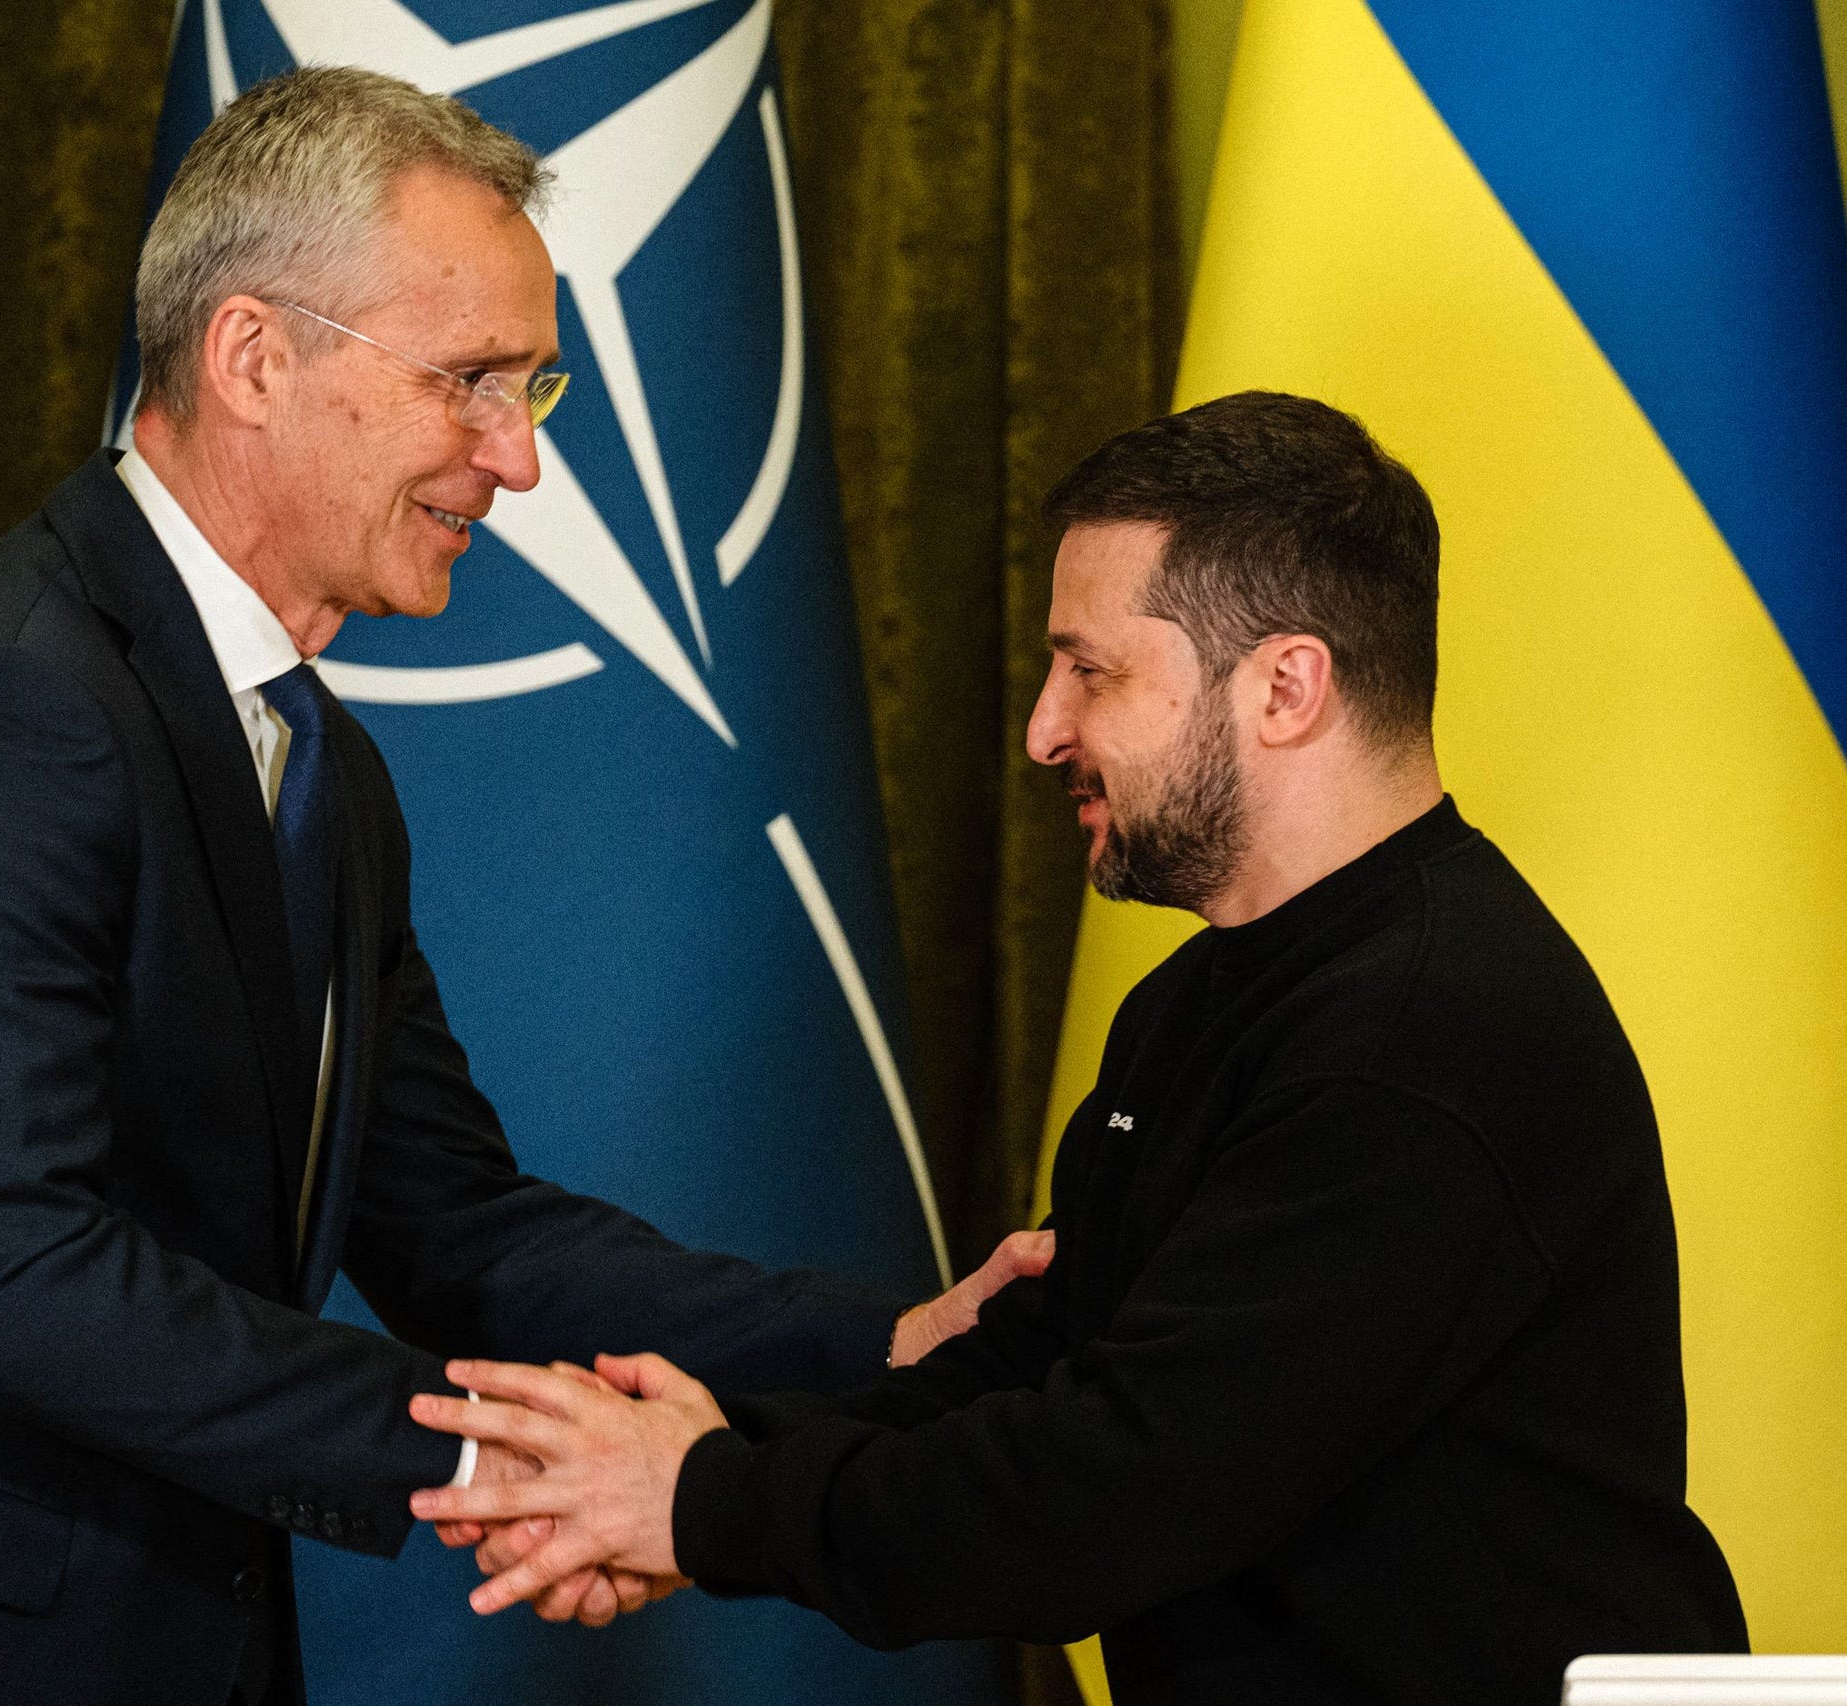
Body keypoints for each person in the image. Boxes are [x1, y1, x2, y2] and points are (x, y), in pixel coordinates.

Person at [0, 66, 1039, 1706]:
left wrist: (881, 1350)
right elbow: (8, 1257)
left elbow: (460, 1230)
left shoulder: (318, 767)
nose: (514, 461)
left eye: (534, 389)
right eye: (470, 382)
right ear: (252, 357)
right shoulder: (10, 703)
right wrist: (494, 1463)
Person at [411, 391, 1751, 1704]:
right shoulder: (1202, 1001)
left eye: (1092, 669)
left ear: (1287, 686)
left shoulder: (1425, 1036)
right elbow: (1042, 1375)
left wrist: (701, 1501)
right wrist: (693, 1461)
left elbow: (1114, 1487)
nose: (1046, 728)